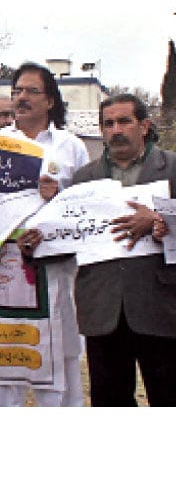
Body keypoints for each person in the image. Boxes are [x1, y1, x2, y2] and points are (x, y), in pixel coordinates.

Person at [0, 62, 89, 407]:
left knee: (58, 366)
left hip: (55, 270)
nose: (21, 98)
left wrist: (60, 195)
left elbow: (84, 206)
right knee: (0, 366)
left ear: (49, 100)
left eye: (30, 91)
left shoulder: (71, 147)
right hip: (4, 269)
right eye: (16, 91)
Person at [66, 94, 176, 405]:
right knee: (109, 402)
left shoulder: (172, 169)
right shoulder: (83, 179)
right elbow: (69, 235)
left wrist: (157, 219)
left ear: (144, 126)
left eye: (124, 121)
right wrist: (35, 242)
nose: (116, 130)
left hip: (161, 308)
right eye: (108, 123)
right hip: (103, 309)